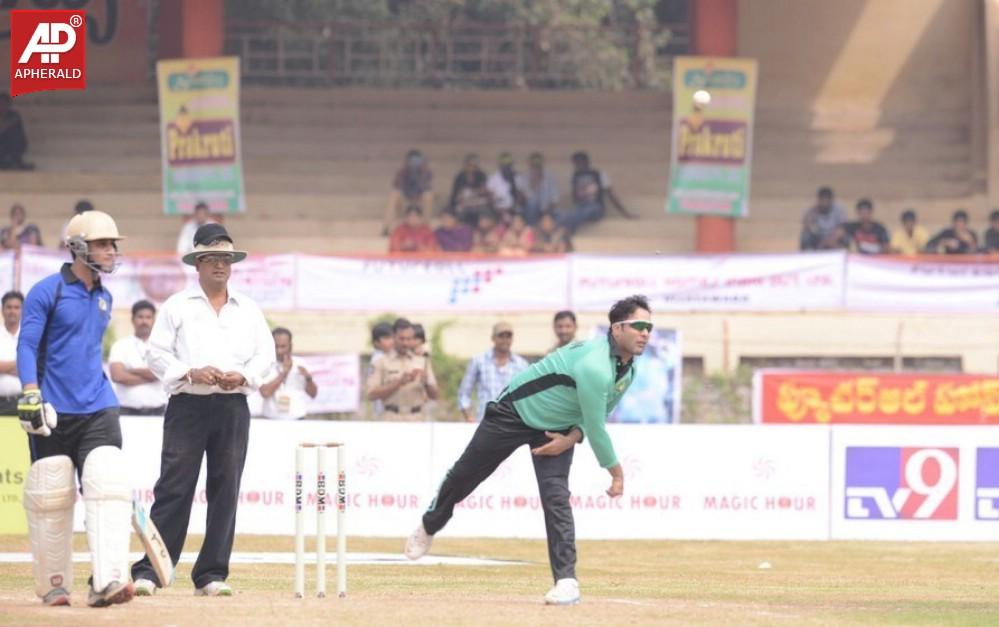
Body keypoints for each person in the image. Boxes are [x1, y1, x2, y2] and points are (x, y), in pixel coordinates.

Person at [404, 295, 652, 606]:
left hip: (558, 428)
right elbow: (597, 428)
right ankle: (429, 525)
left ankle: (566, 581)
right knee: (465, 476)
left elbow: (597, 415)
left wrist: (570, 438)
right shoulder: (595, 365)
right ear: (617, 329)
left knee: (556, 497)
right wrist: (616, 473)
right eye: (639, 326)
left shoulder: (628, 369)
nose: (645, 333)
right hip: (514, 412)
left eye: (649, 327)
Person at [130, 223, 274, 597]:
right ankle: (151, 570)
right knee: (174, 487)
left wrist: (242, 376)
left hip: (232, 406)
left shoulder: (249, 309)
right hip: (188, 405)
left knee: (226, 489)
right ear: (197, 263)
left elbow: (266, 357)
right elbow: (156, 354)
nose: (220, 266)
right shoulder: (177, 305)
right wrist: (189, 372)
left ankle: (211, 574)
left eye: (226, 259)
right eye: (211, 258)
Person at [17, 210, 134, 607]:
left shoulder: (105, 296)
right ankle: (55, 584)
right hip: (52, 409)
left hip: (100, 406)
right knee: (51, 494)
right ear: (78, 247)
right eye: (104, 244)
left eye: (113, 244)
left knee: (108, 484)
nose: (111, 251)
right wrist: (30, 392)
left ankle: (107, 581)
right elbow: (27, 346)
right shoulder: (46, 291)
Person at [366, 318, 439, 422]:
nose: (405, 343)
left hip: (417, 419)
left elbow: (435, 396)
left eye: (409, 339)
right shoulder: (380, 362)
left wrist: (426, 383)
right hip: (391, 418)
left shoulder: (422, 361)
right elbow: (371, 394)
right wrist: (398, 383)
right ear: (394, 337)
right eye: (401, 339)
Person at [457, 322, 529, 423]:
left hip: (511, 424)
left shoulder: (521, 364)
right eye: (501, 336)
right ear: (493, 338)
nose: (505, 340)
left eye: (508, 336)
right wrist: (469, 417)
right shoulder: (479, 361)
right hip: (484, 422)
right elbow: (464, 393)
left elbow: (527, 396)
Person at [108, 300, 168, 416]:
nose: (144, 321)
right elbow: (117, 376)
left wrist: (130, 370)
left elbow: (165, 373)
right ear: (133, 319)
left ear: (154, 320)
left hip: (158, 412)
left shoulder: (163, 345)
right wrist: (153, 375)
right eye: (140, 317)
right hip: (126, 412)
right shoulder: (120, 345)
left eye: (148, 317)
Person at [560, 151, 634, 234]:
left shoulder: (599, 174)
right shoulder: (574, 176)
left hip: (596, 208)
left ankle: (568, 230)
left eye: (580, 162)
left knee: (586, 210)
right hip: (580, 207)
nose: (578, 165)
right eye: (576, 163)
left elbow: (611, 194)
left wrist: (625, 213)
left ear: (587, 162)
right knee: (564, 213)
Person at [259, 327, 318, 420]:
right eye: (276, 346)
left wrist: (308, 378)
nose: (279, 350)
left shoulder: (300, 364)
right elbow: (265, 392)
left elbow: (313, 394)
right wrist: (284, 373)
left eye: (283, 346)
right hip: (271, 419)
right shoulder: (265, 364)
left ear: (290, 345)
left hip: (297, 417)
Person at [385, 149, 433, 235]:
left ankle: (426, 227)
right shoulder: (402, 172)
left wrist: (420, 175)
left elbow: (426, 188)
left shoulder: (426, 172)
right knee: (394, 194)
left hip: (419, 201)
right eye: (412, 160)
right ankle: (387, 227)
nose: (414, 163)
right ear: (407, 161)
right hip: (405, 201)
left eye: (417, 160)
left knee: (428, 195)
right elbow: (398, 187)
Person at [518, 151, 559, 226]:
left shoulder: (549, 177)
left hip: (546, 210)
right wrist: (534, 183)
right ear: (530, 165)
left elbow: (554, 199)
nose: (536, 168)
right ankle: (532, 227)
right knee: (532, 203)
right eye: (534, 166)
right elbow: (523, 200)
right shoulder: (524, 177)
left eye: (538, 166)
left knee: (561, 214)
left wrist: (546, 213)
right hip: (529, 211)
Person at [449, 153, 492, 225]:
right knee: (459, 211)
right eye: (469, 165)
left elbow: (486, 192)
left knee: (485, 211)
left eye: (474, 166)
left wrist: (479, 192)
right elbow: (454, 195)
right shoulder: (460, 177)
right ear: (465, 165)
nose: (471, 168)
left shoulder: (481, 176)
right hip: (464, 204)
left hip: (478, 203)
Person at [800, 186, 847, 251]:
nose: (825, 203)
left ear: (831, 200)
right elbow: (807, 225)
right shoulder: (813, 210)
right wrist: (822, 242)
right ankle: (808, 254)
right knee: (805, 235)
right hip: (819, 238)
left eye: (827, 200)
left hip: (834, 237)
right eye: (823, 200)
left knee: (846, 236)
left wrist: (830, 241)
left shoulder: (838, 209)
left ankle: (843, 253)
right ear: (819, 200)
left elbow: (841, 228)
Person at [0, 290, 23, 415]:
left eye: (16, 307)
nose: (12, 311)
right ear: (2, 309)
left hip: (23, 402)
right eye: (8, 307)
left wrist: (4, 367)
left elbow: (37, 367)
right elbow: (28, 366)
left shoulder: (29, 336)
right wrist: (22, 364)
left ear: (22, 310)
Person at [367, 322, 395, 420]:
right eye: (386, 338)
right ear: (376, 342)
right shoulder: (378, 360)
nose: (391, 341)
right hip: (383, 411)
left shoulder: (389, 357)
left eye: (392, 337)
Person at [0, 92, 33, 170]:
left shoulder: (14, 114)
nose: (2, 106)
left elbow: (19, 134)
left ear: (9, 105)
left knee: (15, 135)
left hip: (11, 146)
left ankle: (14, 161)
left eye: (4, 104)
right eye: (0, 104)